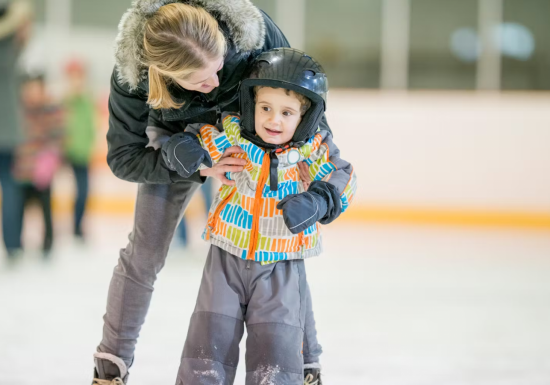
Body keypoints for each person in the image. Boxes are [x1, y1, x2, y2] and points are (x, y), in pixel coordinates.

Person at [93, 1, 332, 384]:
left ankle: (307, 363)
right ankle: (110, 368)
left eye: (220, 68)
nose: (216, 84)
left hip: (248, 135)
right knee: (145, 253)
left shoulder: (253, 34)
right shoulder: (133, 76)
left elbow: (300, 93)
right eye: (202, 80)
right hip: (174, 142)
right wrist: (193, 163)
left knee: (283, 244)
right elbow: (124, 158)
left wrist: (314, 162)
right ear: (164, 74)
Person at [162, 47, 357, 385]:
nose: (274, 120)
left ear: (304, 117)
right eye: (265, 108)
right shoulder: (235, 134)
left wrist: (318, 201)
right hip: (225, 258)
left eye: (286, 112)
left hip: (279, 267)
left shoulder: (309, 148)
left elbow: (344, 177)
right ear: (252, 105)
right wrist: (186, 149)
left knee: (275, 356)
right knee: (207, 345)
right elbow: (197, 137)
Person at [13, 73, 64, 256]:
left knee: (45, 209)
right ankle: (16, 245)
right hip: (22, 171)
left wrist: (51, 160)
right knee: (18, 209)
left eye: (37, 89)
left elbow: (59, 137)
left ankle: (47, 244)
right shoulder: (18, 110)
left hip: (43, 172)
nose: (33, 93)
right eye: (29, 89)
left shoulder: (51, 109)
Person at [0, 0, 32, 259]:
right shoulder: (10, 49)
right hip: (8, 131)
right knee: (10, 186)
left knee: (11, 187)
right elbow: (23, 23)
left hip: (9, 131)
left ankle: (13, 246)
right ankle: (12, 246)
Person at [63, 58, 97, 240]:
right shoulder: (64, 101)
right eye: (73, 77)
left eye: (79, 77)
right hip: (65, 154)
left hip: (83, 154)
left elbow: (90, 127)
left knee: (83, 191)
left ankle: (77, 226)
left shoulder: (87, 100)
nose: (76, 81)